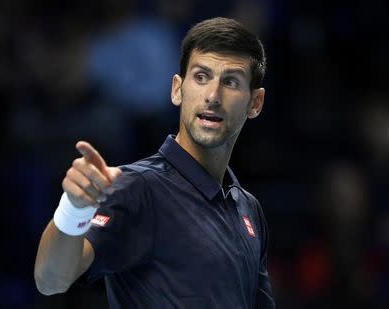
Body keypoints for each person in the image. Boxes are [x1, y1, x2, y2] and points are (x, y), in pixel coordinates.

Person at [34, 17, 275, 308]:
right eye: (201, 77)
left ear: (255, 103)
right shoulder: (138, 188)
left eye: (231, 82)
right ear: (177, 89)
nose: (213, 96)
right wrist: (73, 209)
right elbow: (51, 280)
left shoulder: (249, 209)